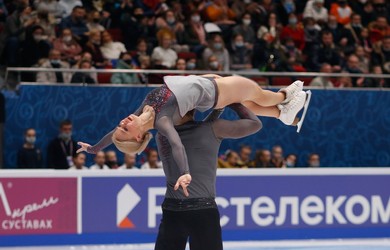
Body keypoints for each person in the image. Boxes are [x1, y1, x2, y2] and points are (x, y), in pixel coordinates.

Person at [77, 74, 310, 192]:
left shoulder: (142, 112)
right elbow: (177, 145)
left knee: (249, 99)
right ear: (138, 136)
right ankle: (284, 97)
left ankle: (283, 116)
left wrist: (94, 148)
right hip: (214, 91)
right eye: (125, 128)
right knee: (256, 93)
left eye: (120, 125)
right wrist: (185, 172)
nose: (122, 122)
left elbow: (111, 134)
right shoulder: (163, 121)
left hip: (204, 82)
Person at [154, 103, 262, 250]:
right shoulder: (214, 128)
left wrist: (216, 113)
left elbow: (197, 131)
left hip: (172, 211)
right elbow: (255, 124)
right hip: (202, 212)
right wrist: (232, 102)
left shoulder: (161, 136)